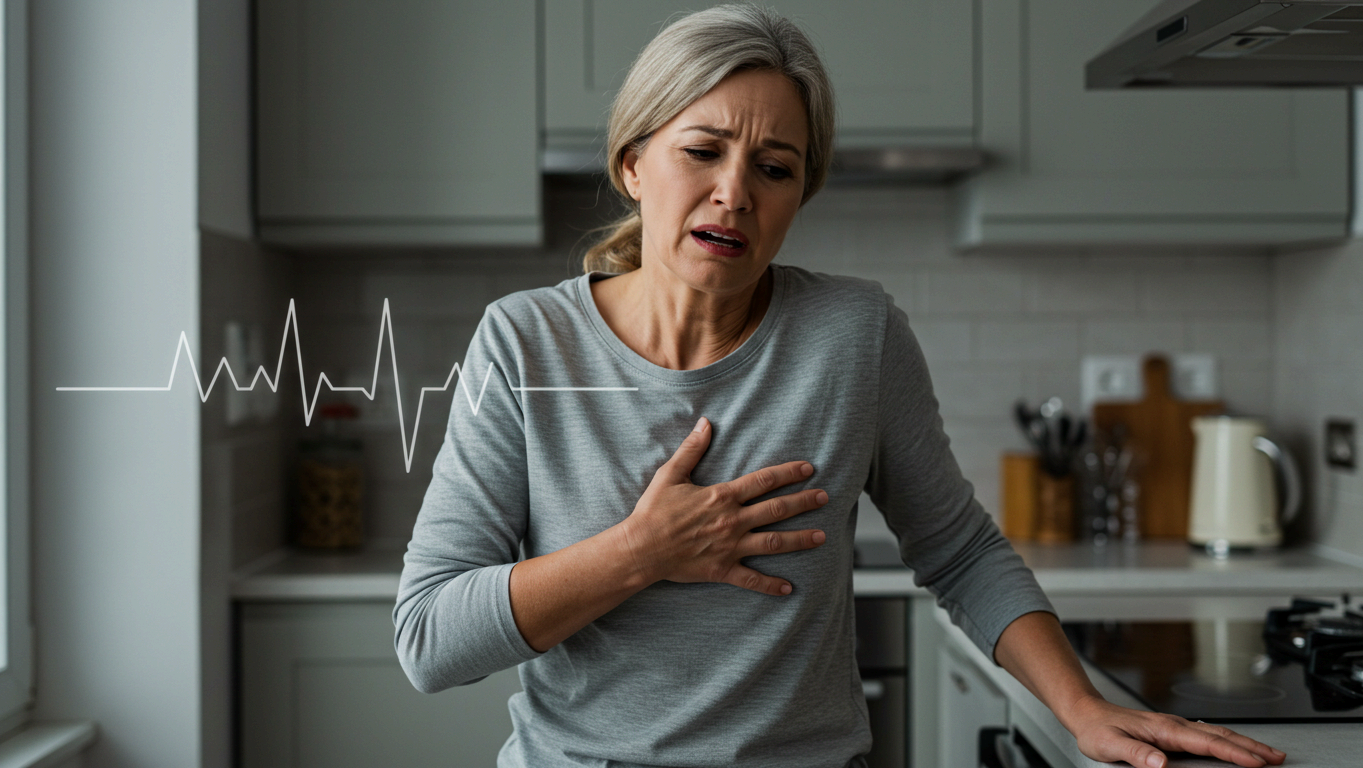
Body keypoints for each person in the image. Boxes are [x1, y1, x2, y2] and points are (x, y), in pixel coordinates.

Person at [394, 6, 1287, 768]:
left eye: (774, 168)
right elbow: (430, 639)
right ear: (634, 164)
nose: (733, 193)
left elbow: (962, 552)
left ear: (799, 195)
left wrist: (1081, 707)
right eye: (702, 150)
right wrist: (642, 552)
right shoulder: (525, 341)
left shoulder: (853, 336)